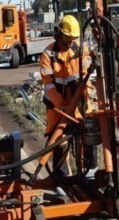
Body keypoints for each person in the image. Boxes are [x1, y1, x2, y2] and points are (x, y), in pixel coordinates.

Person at [40, 15, 95, 176]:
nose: (71, 41)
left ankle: (89, 174)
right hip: (57, 109)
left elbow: (86, 77)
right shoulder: (49, 54)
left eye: (74, 38)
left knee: (87, 138)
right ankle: (61, 178)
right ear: (59, 34)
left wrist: (85, 100)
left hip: (79, 106)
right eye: (68, 37)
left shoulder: (80, 51)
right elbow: (48, 84)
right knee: (59, 141)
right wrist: (62, 106)